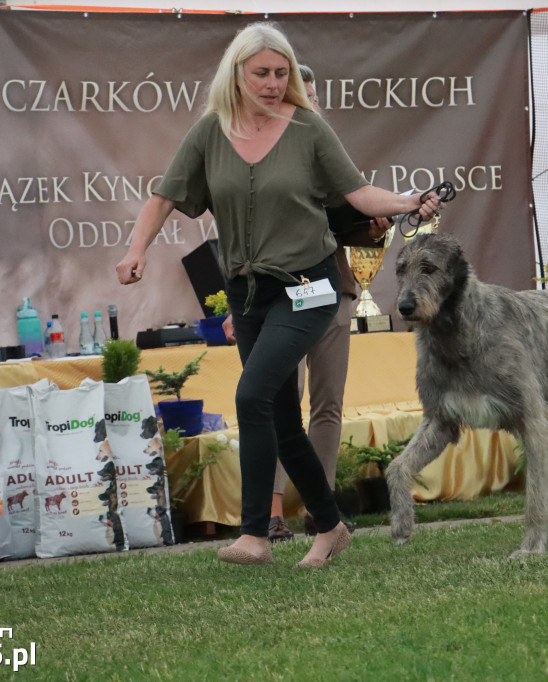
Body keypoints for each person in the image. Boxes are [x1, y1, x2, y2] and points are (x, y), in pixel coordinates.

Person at [116, 22, 438, 568]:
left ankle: (254, 536)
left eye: (280, 72)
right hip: (247, 293)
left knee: (251, 396)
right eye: (261, 72)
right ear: (236, 73)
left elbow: (357, 193)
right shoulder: (209, 132)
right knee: (284, 418)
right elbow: (163, 197)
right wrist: (135, 250)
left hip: (309, 287)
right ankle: (331, 526)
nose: (271, 82)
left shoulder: (309, 129)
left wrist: (408, 200)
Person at [264, 64, 391, 542]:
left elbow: (346, 226)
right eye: (303, 97)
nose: (310, 105)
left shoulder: (330, 156)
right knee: (281, 400)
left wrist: (371, 229)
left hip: (333, 290)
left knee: (328, 405)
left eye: (315, 98)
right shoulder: (261, 158)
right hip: (283, 295)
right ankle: (271, 513)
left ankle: (322, 512)